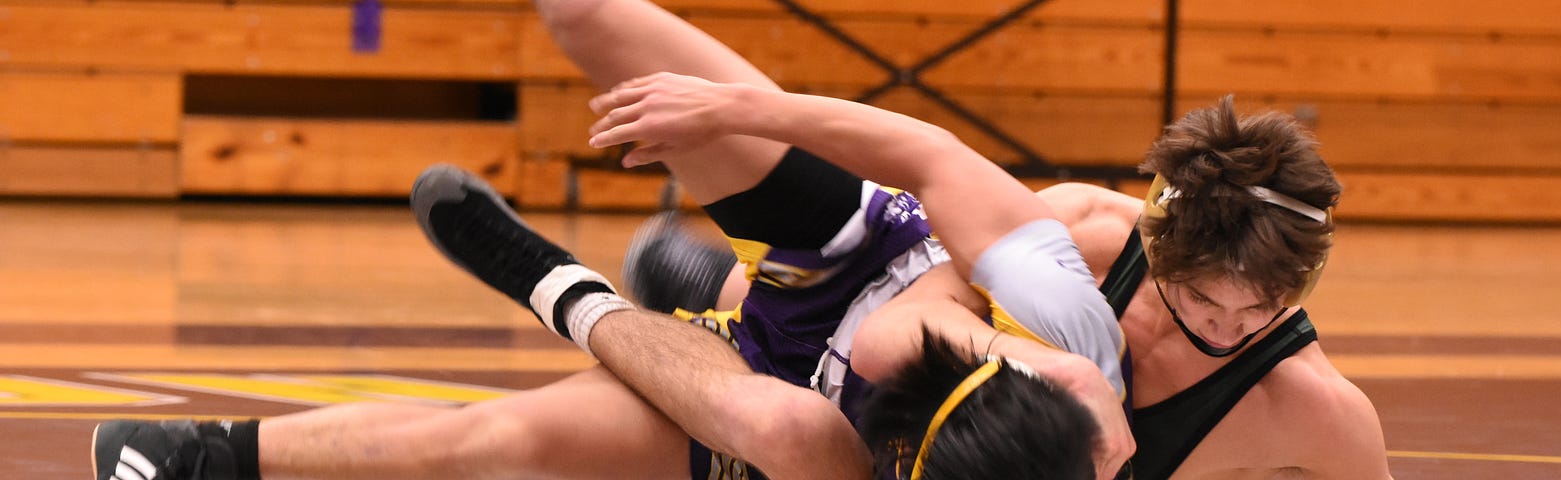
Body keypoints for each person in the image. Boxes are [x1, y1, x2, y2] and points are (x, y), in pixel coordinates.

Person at [89, 0, 1135, 479]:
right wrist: (733, 110)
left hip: (775, 387)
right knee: (591, 20)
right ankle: (685, 281)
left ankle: (560, 287)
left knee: (495, 448)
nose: (1222, 319)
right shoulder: (1083, 339)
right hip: (855, 254)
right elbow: (931, 161)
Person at [597, 75, 1394, 478]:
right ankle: (715, 287)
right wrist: (734, 107)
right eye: (1200, 299)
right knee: (820, 350)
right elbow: (900, 316)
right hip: (903, 378)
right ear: (1158, 248)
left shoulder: (1321, 412)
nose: (1225, 328)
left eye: (1257, 311)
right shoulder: (1086, 238)